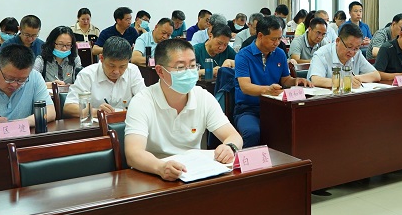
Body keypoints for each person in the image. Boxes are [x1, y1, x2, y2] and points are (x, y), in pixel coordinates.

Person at [124, 38, 244, 181]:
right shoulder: (142, 101)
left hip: (195, 174)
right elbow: (133, 153)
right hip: (154, 175)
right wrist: (160, 167)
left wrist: (230, 147)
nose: (189, 72)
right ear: (160, 71)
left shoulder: (203, 97)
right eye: (180, 67)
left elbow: (234, 136)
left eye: (192, 66)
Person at [234, 16, 311, 147]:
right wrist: (267, 90)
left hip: (275, 107)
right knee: (252, 132)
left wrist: (297, 81)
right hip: (248, 109)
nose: (277, 43)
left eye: (279, 38)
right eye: (273, 39)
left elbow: (285, 80)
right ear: (260, 36)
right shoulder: (243, 55)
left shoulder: (279, 53)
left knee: (296, 127)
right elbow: (245, 87)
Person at [64, 37, 145, 117]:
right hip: (96, 123)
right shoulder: (87, 74)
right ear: (101, 58)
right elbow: (68, 108)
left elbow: (145, 100)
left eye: (122, 66)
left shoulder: (132, 70)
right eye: (112, 65)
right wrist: (96, 112)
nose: (116, 71)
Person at [308, 23, 380, 88]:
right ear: (338, 41)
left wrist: (357, 79)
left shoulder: (357, 54)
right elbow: (316, 80)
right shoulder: (322, 54)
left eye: (356, 48)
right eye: (349, 47)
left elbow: (376, 75)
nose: (352, 52)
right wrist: (345, 82)